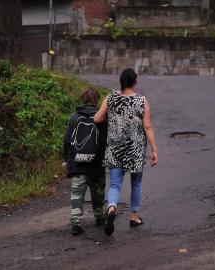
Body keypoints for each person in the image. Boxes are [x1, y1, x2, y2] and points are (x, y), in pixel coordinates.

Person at [94, 68, 158, 236]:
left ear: (121, 81)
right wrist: (154, 150)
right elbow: (148, 126)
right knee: (136, 183)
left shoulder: (111, 97)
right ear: (135, 82)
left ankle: (112, 207)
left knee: (115, 184)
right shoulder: (141, 101)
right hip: (135, 148)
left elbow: (97, 118)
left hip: (115, 147)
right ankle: (134, 216)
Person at [63, 87, 108, 235]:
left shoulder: (74, 117)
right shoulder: (101, 117)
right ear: (97, 100)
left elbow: (67, 141)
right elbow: (104, 141)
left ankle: (76, 221)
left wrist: (66, 160)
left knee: (77, 193)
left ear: (83, 99)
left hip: (77, 163)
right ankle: (100, 217)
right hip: (96, 164)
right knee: (98, 192)